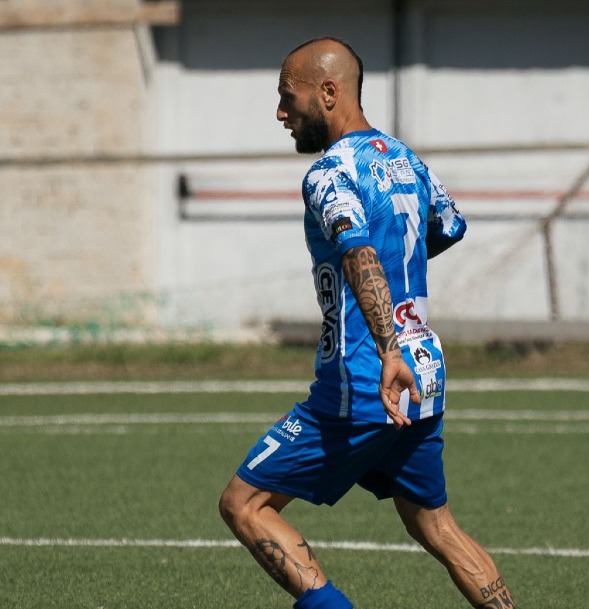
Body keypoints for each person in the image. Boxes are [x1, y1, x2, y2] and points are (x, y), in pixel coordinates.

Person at [218, 37, 516, 609]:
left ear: (328, 92)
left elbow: (359, 253)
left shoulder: (330, 173)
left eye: (288, 97)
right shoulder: (405, 159)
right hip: (424, 372)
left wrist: (386, 348)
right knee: (437, 526)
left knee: (244, 504)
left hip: (366, 381)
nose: (280, 112)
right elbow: (449, 226)